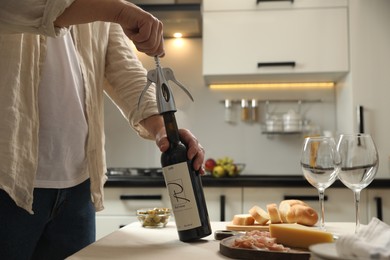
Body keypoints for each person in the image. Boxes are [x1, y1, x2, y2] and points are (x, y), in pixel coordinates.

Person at [0, 0, 206, 259]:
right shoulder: (108, 6)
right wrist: (119, 11)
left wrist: (163, 129)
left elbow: (124, 71)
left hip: (78, 187)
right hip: (8, 182)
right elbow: (31, 8)